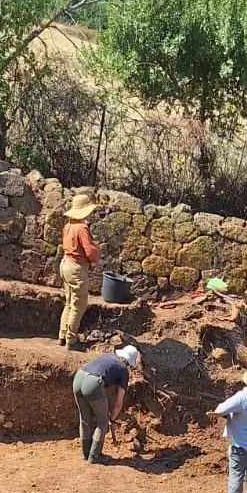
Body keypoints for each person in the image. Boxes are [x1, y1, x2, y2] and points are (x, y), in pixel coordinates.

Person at [72, 345, 140, 464]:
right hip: (92, 384)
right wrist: (112, 419)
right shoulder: (123, 370)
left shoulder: (107, 355)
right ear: (128, 361)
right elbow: (119, 403)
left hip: (79, 377)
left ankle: (86, 453)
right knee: (102, 423)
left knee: (85, 420)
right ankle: (95, 456)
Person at [59, 194, 101, 352]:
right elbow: (91, 253)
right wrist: (97, 252)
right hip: (76, 268)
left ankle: (62, 336)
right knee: (79, 304)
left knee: (69, 302)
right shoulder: (82, 228)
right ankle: (72, 339)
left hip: (66, 264)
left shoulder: (68, 225)